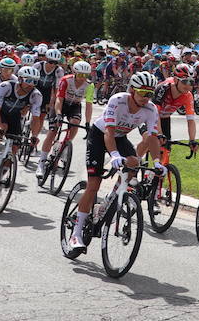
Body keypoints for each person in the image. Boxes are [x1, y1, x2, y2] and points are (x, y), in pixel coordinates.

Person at [67, 72, 163, 257]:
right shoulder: (118, 100)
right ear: (132, 90)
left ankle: (108, 201)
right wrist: (114, 155)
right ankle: (76, 233)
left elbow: (152, 138)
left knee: (134, 163)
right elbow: (108, 132)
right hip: (100, 135)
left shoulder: (151, 109)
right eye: (142, 92)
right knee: (94, 184)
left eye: (150, 94)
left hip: (120, 138)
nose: (146, 97)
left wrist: (158, 162)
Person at [0, 65, 45, 178]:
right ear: (20, 79)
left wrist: (35, 135)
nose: (31, 84)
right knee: (2, 128)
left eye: (35, 82)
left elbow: (36, 119)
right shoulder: (6, 86)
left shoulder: (36, 95)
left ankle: (0, 176)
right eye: (28, 81)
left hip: (14, 117)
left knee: (15, 146)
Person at [37, 59, 95, 182]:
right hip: (61, 104)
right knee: (53, 131)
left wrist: (88, 123)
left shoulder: (89, 85)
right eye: (80, 75)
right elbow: (59, 99)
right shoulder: (66, 80)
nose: (82, 78)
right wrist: (58, 114)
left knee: (75, 123)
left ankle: (65, 145)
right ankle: (41, 163)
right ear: (74, 72)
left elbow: (89, 105)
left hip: (74, 106)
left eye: (85, 75)